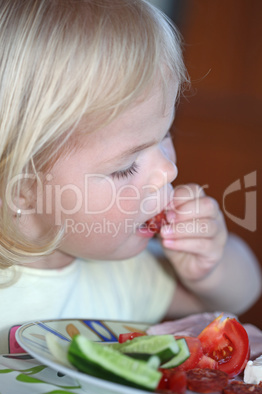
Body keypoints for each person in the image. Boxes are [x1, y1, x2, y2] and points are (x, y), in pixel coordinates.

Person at [0, 0, 261, 355]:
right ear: (23, 189)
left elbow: (241, 295)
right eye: (126, 165)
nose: (169, 170)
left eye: (166, 134)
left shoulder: (127, 274)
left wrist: (209, 267)